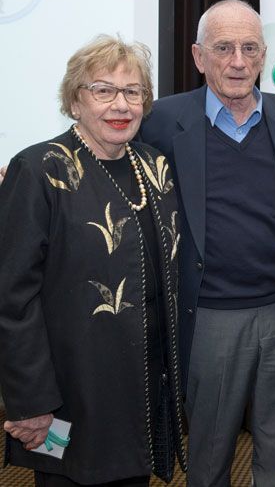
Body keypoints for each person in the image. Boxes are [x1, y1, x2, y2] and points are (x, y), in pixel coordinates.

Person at [138, 0, 275, 486]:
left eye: (249, 48)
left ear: (264, 56)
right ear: (199, 57)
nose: (238, 61)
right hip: (209, 319)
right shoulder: (159, 122)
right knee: (210, 455)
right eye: (224, 48)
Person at [0, 35, 185, 486]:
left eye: (133, 92)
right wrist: (30, 402)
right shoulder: (41, 168)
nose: (120, 104)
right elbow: (11, 296)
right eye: (103, 91)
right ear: (74, 101)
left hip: (139, 389)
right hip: (66, 396)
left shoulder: (154, 166)